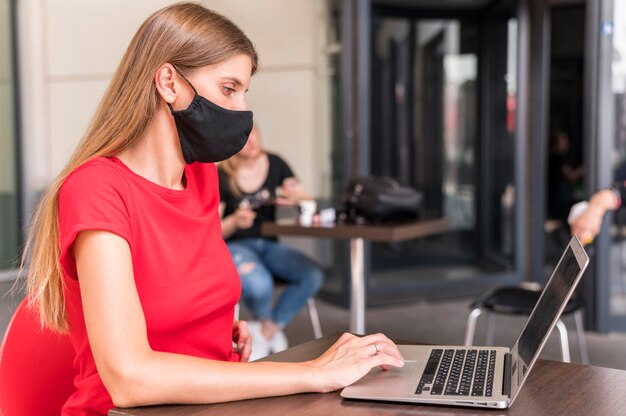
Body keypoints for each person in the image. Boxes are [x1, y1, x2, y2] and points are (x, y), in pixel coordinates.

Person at [21, 4, 404, 415]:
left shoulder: (202, 178)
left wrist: (213, 333)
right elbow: (129, 378)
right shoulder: (97, 188)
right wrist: (314, 372)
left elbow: (182, 290)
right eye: (228, 88)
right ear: (168, 82)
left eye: (244, 93)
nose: (241, 111)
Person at [218, 124, 323, 359]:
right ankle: (268, 331)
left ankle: (266, 332)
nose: (252, 141)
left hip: (269, 245)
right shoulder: (223, 174)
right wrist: (234, 221)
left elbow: (307, 200)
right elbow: (213, 231)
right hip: (237, 246)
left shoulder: (276, 163)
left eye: (254, 134)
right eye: (244, 138)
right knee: (259, 284)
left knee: (312, 274)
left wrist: (296, 199)